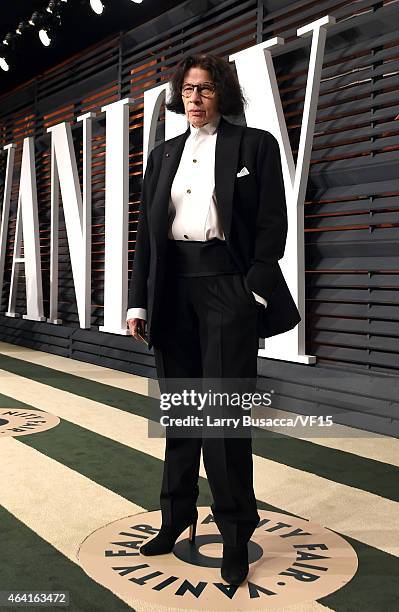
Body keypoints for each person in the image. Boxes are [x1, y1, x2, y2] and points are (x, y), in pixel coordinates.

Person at [126, 53, 300, 585]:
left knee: (222, 421)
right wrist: (138, 301)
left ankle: (233, 535)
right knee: (181, 417)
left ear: (222, 93)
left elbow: (273, 225)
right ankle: (175, 517)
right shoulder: (161, 155)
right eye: (186, 90)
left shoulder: (255, 146)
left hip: (228, 286)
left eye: (204, 89)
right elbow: (147, 237)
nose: (194, 99)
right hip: (171, 290)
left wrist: (253, 292)